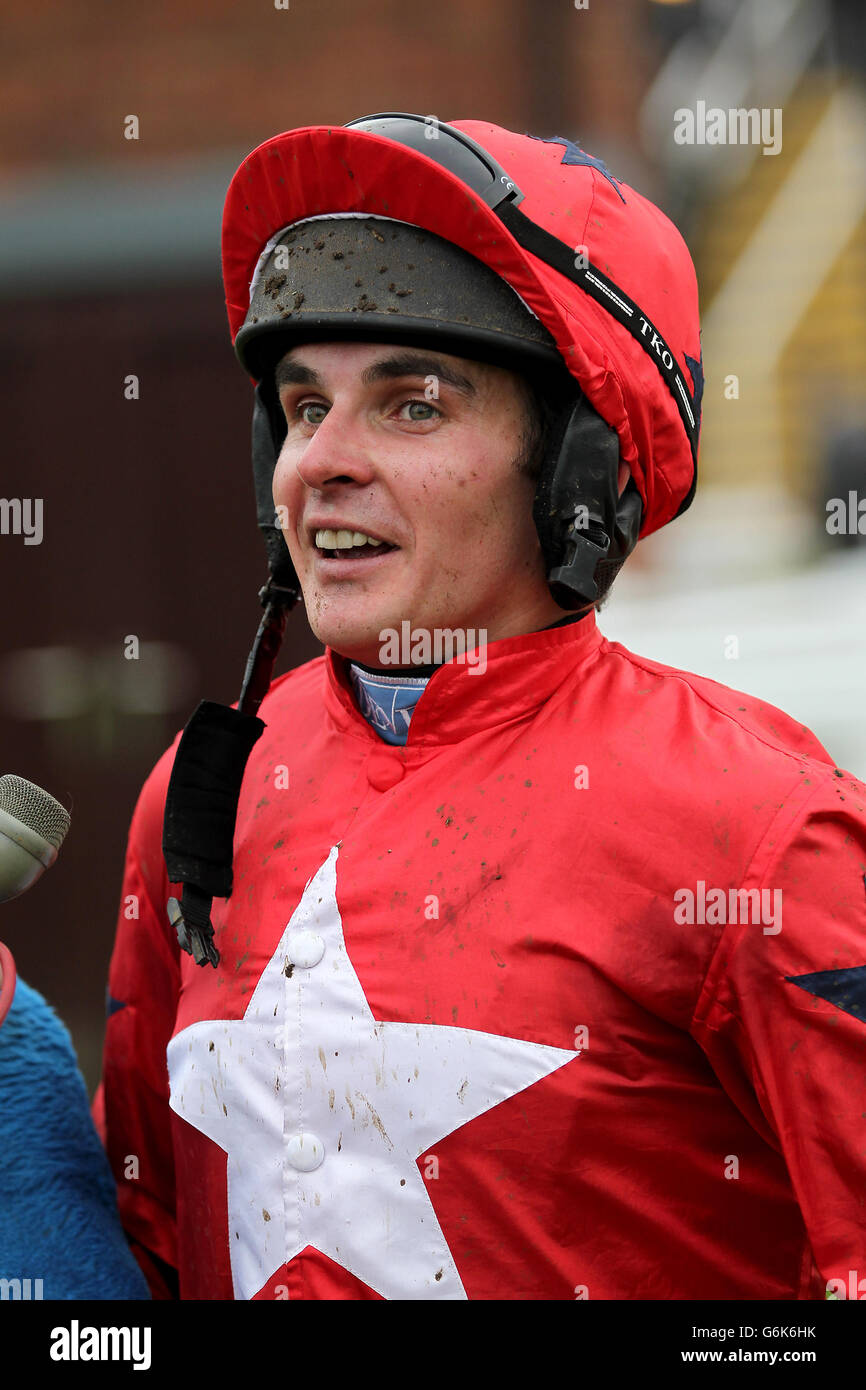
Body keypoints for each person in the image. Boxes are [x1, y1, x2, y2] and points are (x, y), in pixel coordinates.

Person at [95, 113, 866, 1301]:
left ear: (574, 474)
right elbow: (137, 1249)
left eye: (411, 404)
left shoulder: (759, 826)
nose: (321, 464)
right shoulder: (206, 796)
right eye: (304, 408)